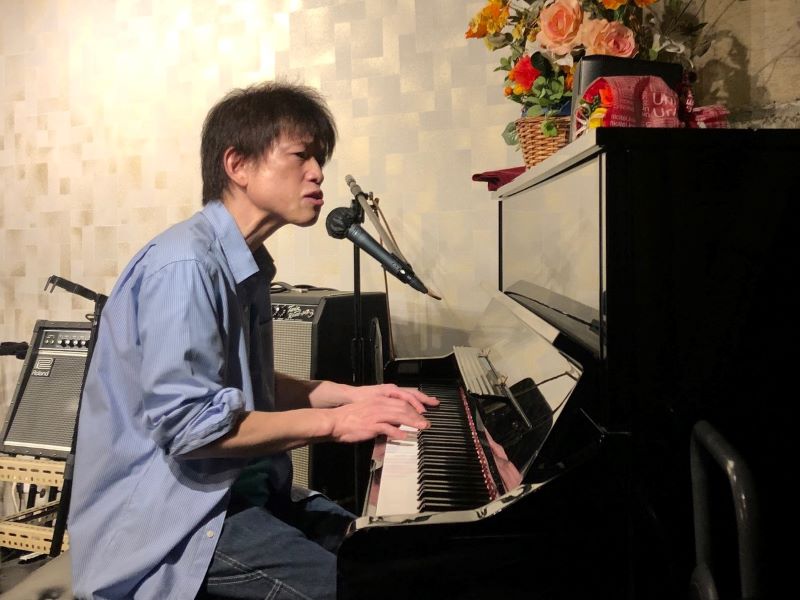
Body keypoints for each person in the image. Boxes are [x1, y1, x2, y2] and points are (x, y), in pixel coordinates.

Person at [68, 81, 438, 600]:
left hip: (236, 494)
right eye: (301, 156)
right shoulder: (185, 266)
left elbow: (249, 386)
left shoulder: (246, 263)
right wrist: (335, 423)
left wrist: (354, 396)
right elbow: (193, 428)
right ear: (237, 165)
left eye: (320, 159)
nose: (318, 173)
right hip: (176, 525)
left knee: (397, 557)